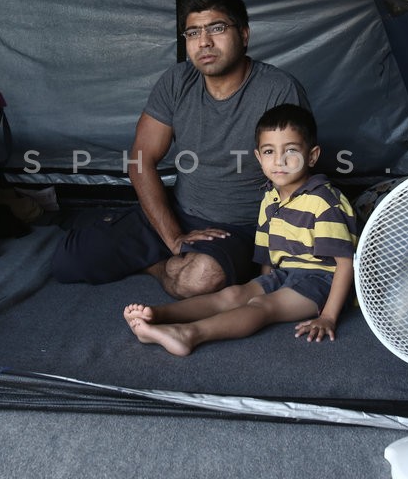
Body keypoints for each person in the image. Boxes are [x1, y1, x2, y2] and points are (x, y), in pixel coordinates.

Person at [51, 0, 309, 298]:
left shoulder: (278, 90)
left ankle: (159, 265)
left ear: (244, 35)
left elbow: (297, 180)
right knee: (69, 260)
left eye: (217, 28)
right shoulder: (176, 82)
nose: (205, 42)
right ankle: (166, 258)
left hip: (239, 228)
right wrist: (174, 238)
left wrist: (274, 253)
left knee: (197, 280)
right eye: (193, 32)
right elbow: (140, 160)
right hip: (179, 214)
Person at [122, 103, 356, 356]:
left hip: (320, 282)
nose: (279, 160)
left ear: (311, 155)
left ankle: (189, 334)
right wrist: (263, 282)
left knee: (262, 305)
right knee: (233, 294)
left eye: (290, 151)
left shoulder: (324, 202)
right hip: (285, 274)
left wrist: (329, 316)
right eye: (269, 151)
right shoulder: (270, 197)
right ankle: (159, 314)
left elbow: (344, 264)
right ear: (258, 157)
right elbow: (268, 252)